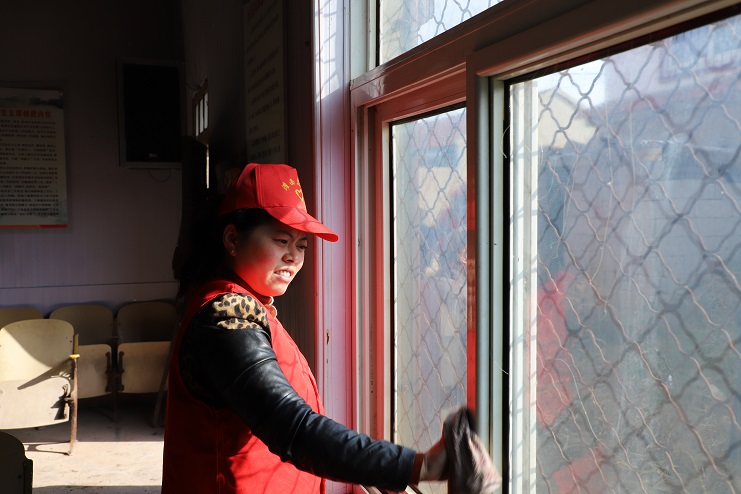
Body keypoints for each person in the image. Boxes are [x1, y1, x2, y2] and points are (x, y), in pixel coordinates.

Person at [162, 163, 448, 493]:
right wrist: (414, 466)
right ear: (232, 239)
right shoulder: (226, 318)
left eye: (301, 246)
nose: (293, 257)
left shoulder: (244, 306)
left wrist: (374, 469)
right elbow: (292, 427)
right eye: (281, 240)